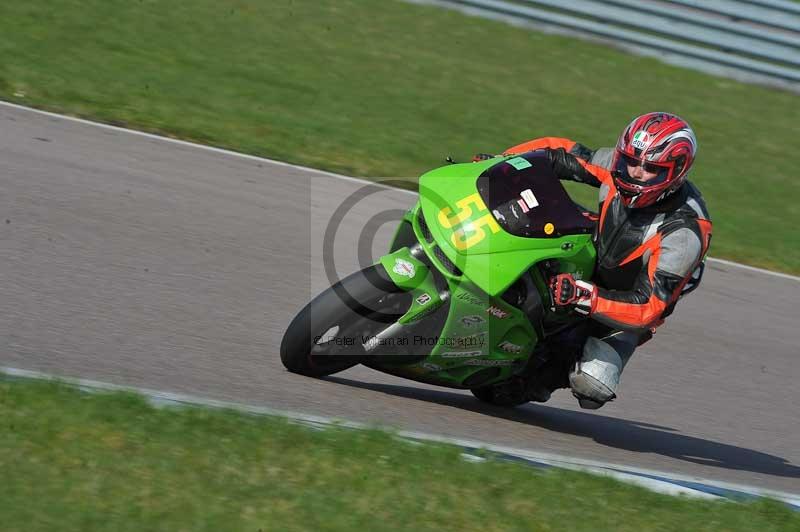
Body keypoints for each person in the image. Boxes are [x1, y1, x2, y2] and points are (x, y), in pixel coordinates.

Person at [481, 112, 713, 409]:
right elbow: (557, 152)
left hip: (624, 306)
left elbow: (648, 307)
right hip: (594, 255)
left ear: (675, 172)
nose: (635, 173)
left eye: (650, 168)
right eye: (629, 160)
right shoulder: (617, 167)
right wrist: (502, 164)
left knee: (593, 382)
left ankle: (538, 379)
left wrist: (585, 296)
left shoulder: (686, 231)